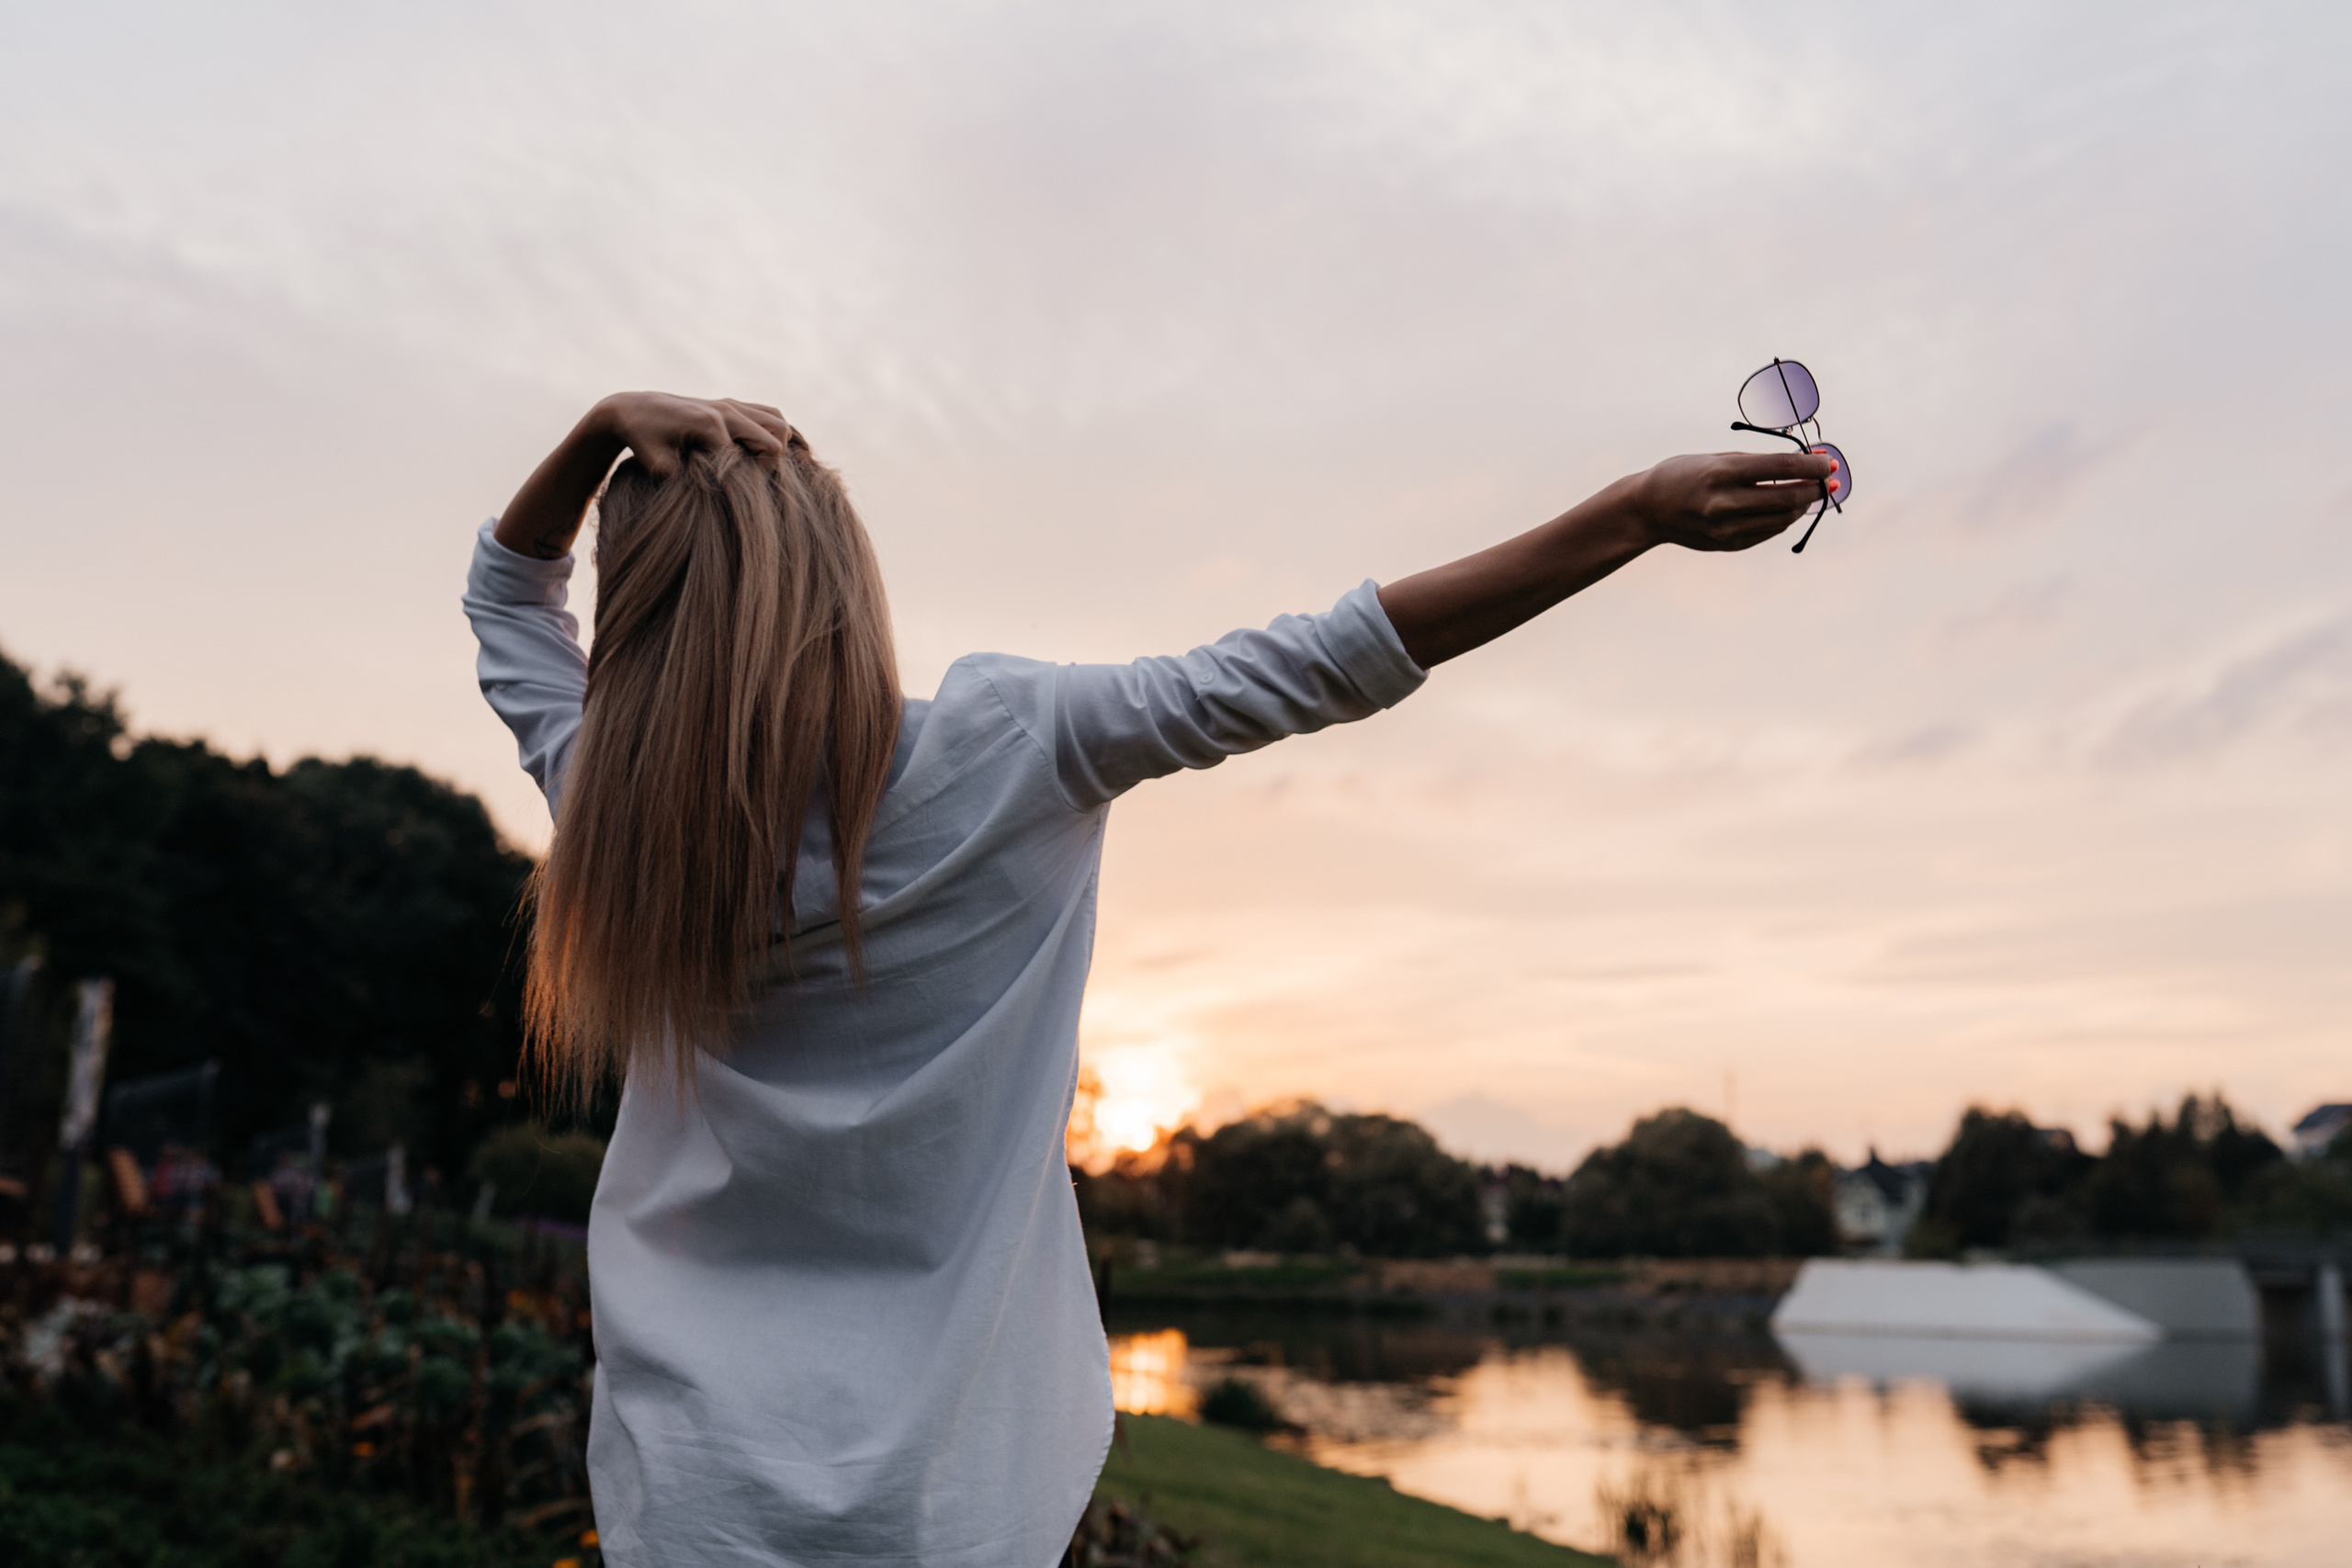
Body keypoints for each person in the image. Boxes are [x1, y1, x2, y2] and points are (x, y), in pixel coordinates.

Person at [463, 390, 1836, 1567]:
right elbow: (1331, 657)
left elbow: (506, 591)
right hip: (951, 1491)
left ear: (642, 618)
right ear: (838, 580)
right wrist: (1636, 513)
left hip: (694, 1477)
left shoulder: (613, 810)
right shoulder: (1009, 747)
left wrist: (594, 436)